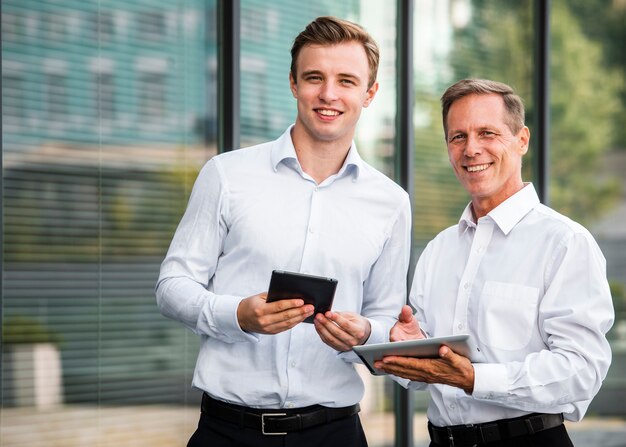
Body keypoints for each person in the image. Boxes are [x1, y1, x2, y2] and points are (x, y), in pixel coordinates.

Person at [156, 16, 411, 447]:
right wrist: (237, 315)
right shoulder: (226, 175)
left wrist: (364, 334)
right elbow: (172, 286)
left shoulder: (391, 202)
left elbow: (385, 318)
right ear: (293, 83)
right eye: (315, 77)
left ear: (370, 94)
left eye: (346, 81)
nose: (329, 94)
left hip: (335, 433)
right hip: (227, 432)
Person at [375, 79, 614, 447]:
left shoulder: (564, 243)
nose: (471, 149)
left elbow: (582, 371)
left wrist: (475, 378)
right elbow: (428, 371)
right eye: (458, 137)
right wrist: (410, 347)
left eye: (487, 133)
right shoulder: (439, 249)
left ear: (522, 140)